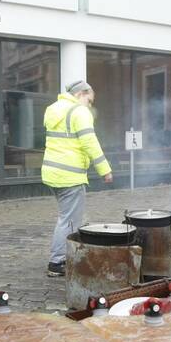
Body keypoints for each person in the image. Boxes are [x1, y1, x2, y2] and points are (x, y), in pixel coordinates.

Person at [41, 80, 113, 277]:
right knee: (69, 221)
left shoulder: (53, 109)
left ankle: (65, 257)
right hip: (69, 175)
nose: (89, 105)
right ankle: (57, 262)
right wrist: (104, 170)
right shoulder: (79, 112)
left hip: (52, 172)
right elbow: (90, 142)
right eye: (89, 100)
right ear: (81, 94)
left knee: (66, 218)